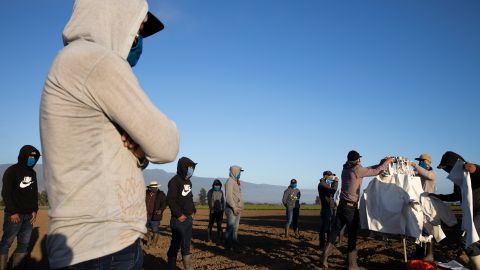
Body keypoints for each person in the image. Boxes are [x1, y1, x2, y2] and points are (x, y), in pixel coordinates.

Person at [40, 0, 180, 268]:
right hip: (103, 247)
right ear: (113, 17)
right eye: (136, 28)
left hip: (90, 244)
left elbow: (106, 151)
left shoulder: (71, 62)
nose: (137, 39)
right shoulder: (95, 60)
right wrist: (144, 144)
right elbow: (166, 144)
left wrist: (138, 152)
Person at [322, 150, 394, 270]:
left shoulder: (345, 169)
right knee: (352, 235)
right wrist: (387, 162)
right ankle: (352, 265)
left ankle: (323, 257)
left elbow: (368, 169)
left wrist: (381, 162)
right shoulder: (357, 170)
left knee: (335, 231)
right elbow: (376, 171)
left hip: (342, 206)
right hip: (351, 208)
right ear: (358, 160)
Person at [429, 151, 480, 269]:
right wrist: (440, 196)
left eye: (447, 168)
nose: (447, 172)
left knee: (467, 239)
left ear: (454, 165)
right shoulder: (459, 180)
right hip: (471, 214)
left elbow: (478, 172)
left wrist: (474, 169)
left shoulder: (469, 171)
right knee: (471, 240)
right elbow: (456, 196)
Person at [0, 145, 40, 270]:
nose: (32, 159)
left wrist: (34, 210)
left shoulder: (32, 173)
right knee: (6, 243)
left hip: (29, 216)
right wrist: (13, 212)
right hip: (14, 215)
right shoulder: (12, 171)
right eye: (30, 156)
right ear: (23, 156)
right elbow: (6, 193)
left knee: (24, 244)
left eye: (34, 157)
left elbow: (34, 193)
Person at [166, 157, 197, 270]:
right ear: (183, 167)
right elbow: (170, 200)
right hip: (179, 220)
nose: (191, 170)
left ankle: (188, 268)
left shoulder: (188, 181)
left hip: (188, 219)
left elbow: (190, 198)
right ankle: (171, 267)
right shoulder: (174, 181)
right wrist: (179, 215)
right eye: (189, 167)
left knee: (186, 245)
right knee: (175, 245)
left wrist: (193, 211)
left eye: (192, 168)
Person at [409, 153, 437, 261]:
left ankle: (430, 254)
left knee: (429, 230)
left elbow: (426, 175)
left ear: (427, 162)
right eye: (419, 162)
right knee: (418, 229)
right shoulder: (420, 174)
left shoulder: (432, 174)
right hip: (420, 204)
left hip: (429, 205)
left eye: (421, 161)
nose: (419, 163)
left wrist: (414, 165)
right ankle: (419, 253)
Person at [224, 166, 244, 251]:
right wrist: (234, 207)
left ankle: (234, 242)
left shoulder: (236, 182)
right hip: (231, 209)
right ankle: (228, 246)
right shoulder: (230, 182)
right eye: (239, 172)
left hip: (238, 208)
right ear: (235, 172)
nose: (240, 174)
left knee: (235, 228)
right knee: (230, 228)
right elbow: (228, 197)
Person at [318, 171, 339, 249]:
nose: (331, 178)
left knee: (329, 227)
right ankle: (322, 245)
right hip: (326, 209)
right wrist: (336, 182)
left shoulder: (326, 184)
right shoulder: (322, 184)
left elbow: (331, 193)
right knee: (325, 227)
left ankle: (327, 244)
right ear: (325, 176)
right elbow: (333, 191)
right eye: (330, 176)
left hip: (329, 208)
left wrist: (333, 183)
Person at [145, 180, 167, 248]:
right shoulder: (145, 193)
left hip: (155, 216)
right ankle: (149, 237)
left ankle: (153, 244)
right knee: (143, 228)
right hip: (145, 215)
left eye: (155, 187)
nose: (154, 188)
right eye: (153, 187)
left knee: (155, 230)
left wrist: (160, 210)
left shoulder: (161, 194)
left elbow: (164, 203)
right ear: (150, 187)